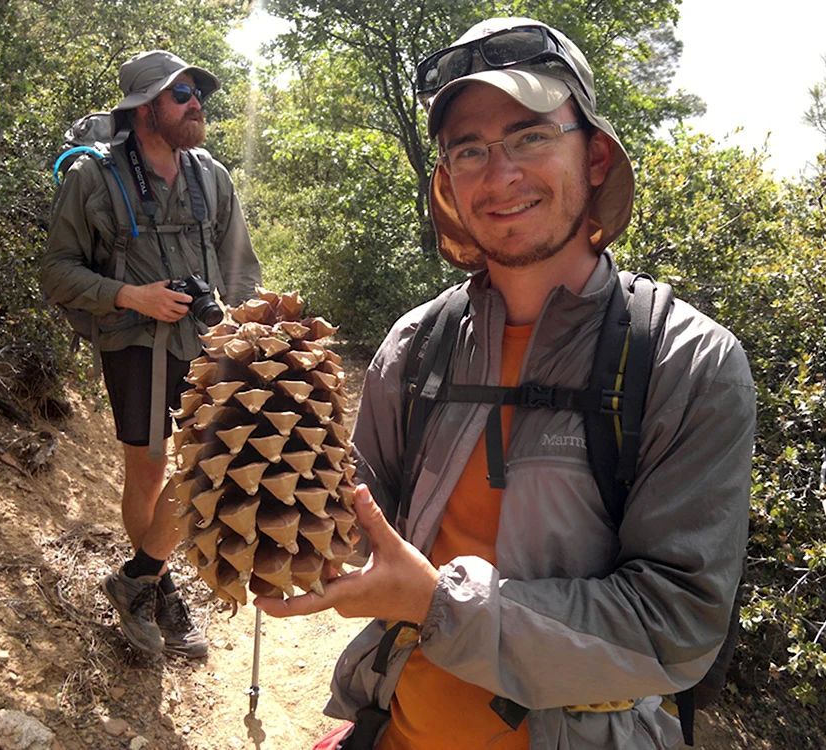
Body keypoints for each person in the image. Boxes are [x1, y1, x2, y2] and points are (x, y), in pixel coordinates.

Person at [255, 17, 755, 749]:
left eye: (531, 137)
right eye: (469, 150)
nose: (500, 174)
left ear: (595, 156)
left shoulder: (685, 363)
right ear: (447, 183)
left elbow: (676, 628)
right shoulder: (415, 346)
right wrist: (239, 491)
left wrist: (435, 605)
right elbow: (353, 528)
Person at [42, 50, 261, 658]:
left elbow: (240, 267)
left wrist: (248, 331)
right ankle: (159, 594)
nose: (197, 105)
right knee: (147, 470)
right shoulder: (95, 178)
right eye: (182, 95)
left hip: (205, 342)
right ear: (145, 109)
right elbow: (56, 270)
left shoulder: (211, 176)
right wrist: (130, 295)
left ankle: (139, 578)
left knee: (206, 464)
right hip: (132, 344)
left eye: (198, 94)